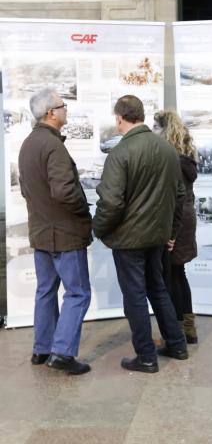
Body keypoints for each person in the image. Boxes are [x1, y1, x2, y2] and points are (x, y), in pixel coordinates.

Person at [93, 95, 188, 374]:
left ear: (119, 118)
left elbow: (111, 202)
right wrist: (170, 232)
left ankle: (146, 356)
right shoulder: (168, 150)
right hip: (157, 237)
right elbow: (179, 196)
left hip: (129, 240)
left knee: (134, 295)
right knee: (158, 289)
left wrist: (97, 229)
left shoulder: (120, 154)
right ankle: (177, 345)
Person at [17, 88, 92, 375]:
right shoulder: (53, 146)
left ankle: (42, 348)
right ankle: (62, 353)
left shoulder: (28, 144)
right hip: (64, 234)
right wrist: (84, 213)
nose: (66, 110)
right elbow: (64, 192)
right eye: (63, 106)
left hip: (41, 232)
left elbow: (28, 190)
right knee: (78, 293)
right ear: (51, 113)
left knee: (45, 291)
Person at [154, 110, 199, 344]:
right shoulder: (186, 157)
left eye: (155, 127)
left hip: (177, 219)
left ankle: (175, 333)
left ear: (164, 130)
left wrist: (170, 232)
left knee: (170, 276)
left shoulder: (172, 160)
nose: (152, 131)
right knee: (178, 273)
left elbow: (173, 198)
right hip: (186, 217)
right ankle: (187, 330)